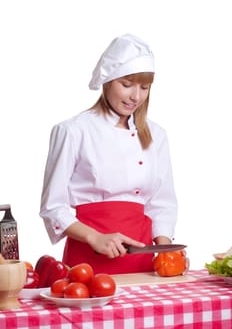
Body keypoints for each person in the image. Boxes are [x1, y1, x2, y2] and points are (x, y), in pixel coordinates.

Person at [39, 33, 178, 274]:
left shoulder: (156, 135)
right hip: (88, 258)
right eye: (126, 85)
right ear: (107, 81)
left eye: (144, 87)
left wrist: (167, 254)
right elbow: (53, 207)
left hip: (142, 259)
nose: (136, 96)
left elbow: (161, 203)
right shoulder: (73, 131)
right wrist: (94, 238)